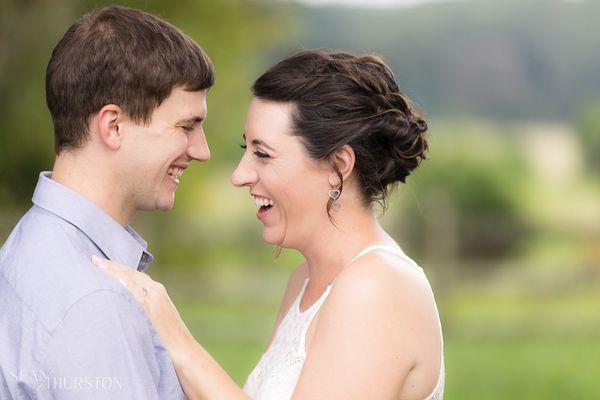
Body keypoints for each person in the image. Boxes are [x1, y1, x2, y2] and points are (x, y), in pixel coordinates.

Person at [94, 50, 444, 399]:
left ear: (338, 166)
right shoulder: (304, 282)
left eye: (262, 154)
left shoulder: (377, 286)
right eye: (246, 150)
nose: (239, 175)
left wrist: (176, 338)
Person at [0, 5, 214, 399]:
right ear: (113, 126)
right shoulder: (93, 301)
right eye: (186, 127)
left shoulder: (31, 245)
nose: (201, 151)